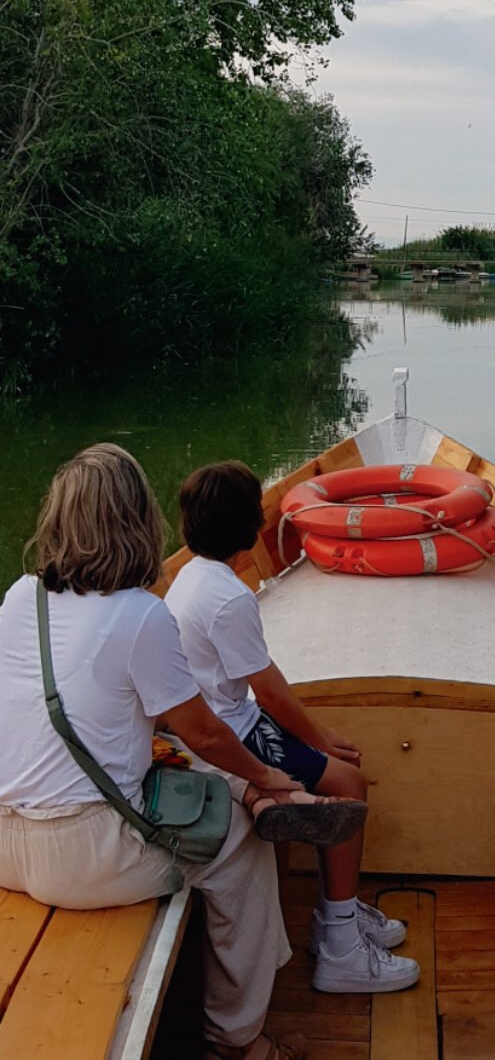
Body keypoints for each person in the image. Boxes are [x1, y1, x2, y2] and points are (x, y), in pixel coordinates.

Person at [0, 444, 319, 1060]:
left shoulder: (20, 598)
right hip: (85, 856)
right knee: (244, 849)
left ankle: (252, 793)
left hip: (5, 843)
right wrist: (268, 771)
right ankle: (239, 1040)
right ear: (138, 521)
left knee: (185, 768)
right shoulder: (141, 615)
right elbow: (203, 732)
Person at [164, 461, 419, 994]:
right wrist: (321, 740)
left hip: (222, 717)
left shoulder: (188, 575)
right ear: (249, 529)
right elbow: (270, 690)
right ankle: (341, 946)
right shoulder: (229, 598)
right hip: (232, 729)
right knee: (349, 783)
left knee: (336, 773)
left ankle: (335, 912)